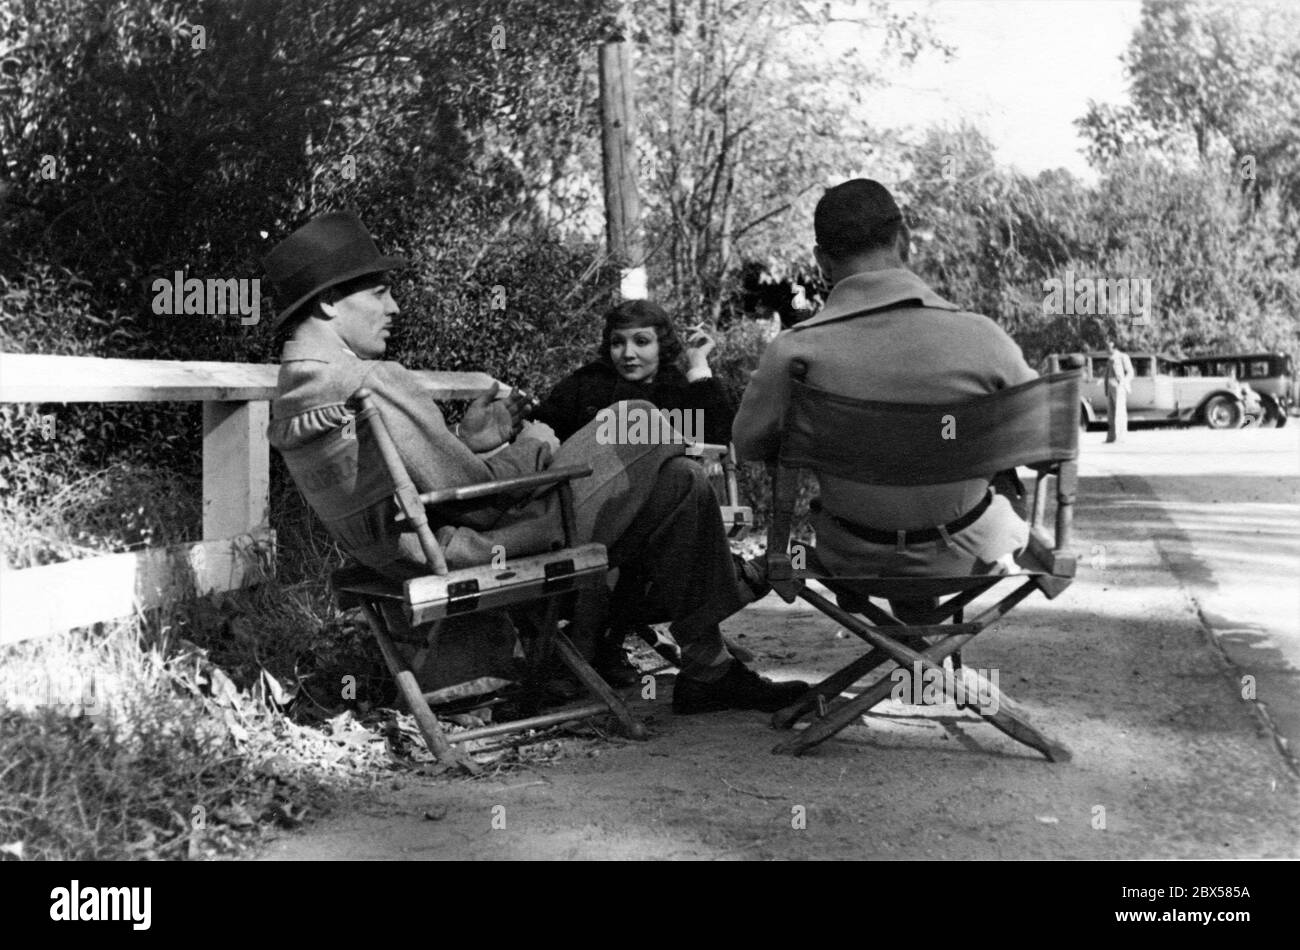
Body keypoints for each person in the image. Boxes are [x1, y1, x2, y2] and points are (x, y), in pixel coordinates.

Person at [263, 211, 803, 714]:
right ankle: (709, 632)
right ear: (331, 302)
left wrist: (474, 441)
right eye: (380, 294)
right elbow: (479, 500)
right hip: (483, 548)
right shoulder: (375, 380)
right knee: (635, 417)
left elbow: (421, 483)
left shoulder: (300, 386)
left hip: (408, 553)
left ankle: (706, 670)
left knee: (681, 480)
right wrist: (529, 443)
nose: (394, 309)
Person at [732, 179, 1036, 616]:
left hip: (853, 557)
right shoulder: (982, 337)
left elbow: (748, 444)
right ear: (905, 240)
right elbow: (1047, 443)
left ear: (821, 260)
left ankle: (918, 659)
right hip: (970, 553)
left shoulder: (796, 351)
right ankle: (925, 661)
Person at [532, 299, 735, 445]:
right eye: (617, 343)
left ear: (661, 345)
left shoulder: (676, 388)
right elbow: (542, 429)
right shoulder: (586, 384)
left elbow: (717, 439)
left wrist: (698, 363)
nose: (628, 353)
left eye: (641, 342)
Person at [1103, 338, 1134, 443]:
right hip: (1110, 388)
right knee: (1110, 414)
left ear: (1114, 346)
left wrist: (1123, 382)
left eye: (1109, 346)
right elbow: (1107, 375)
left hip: (1119, 387)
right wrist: (1106, 389)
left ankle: (1121, 437)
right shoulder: (1109, 359)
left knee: (1120, 413)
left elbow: (1130, 372)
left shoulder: (1122, 357)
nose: (1107, 348)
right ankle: (1111, 437)